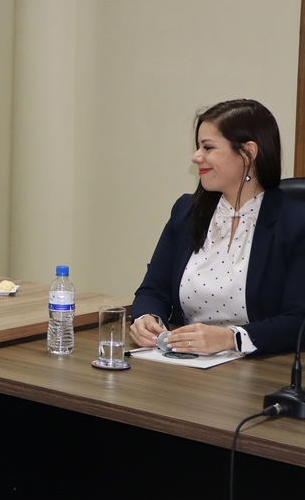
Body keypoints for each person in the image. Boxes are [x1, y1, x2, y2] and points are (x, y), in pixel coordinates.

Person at [130, 98, 305, 356]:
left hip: (259, 368)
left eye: (208, 147)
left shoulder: (295, 222)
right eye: (198, 147)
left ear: (248, 152)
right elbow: (153, 290)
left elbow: (299, 321)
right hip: (183, 363)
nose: (196, 157)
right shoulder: (186, 211)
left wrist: (231, 338)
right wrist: (147, 318)